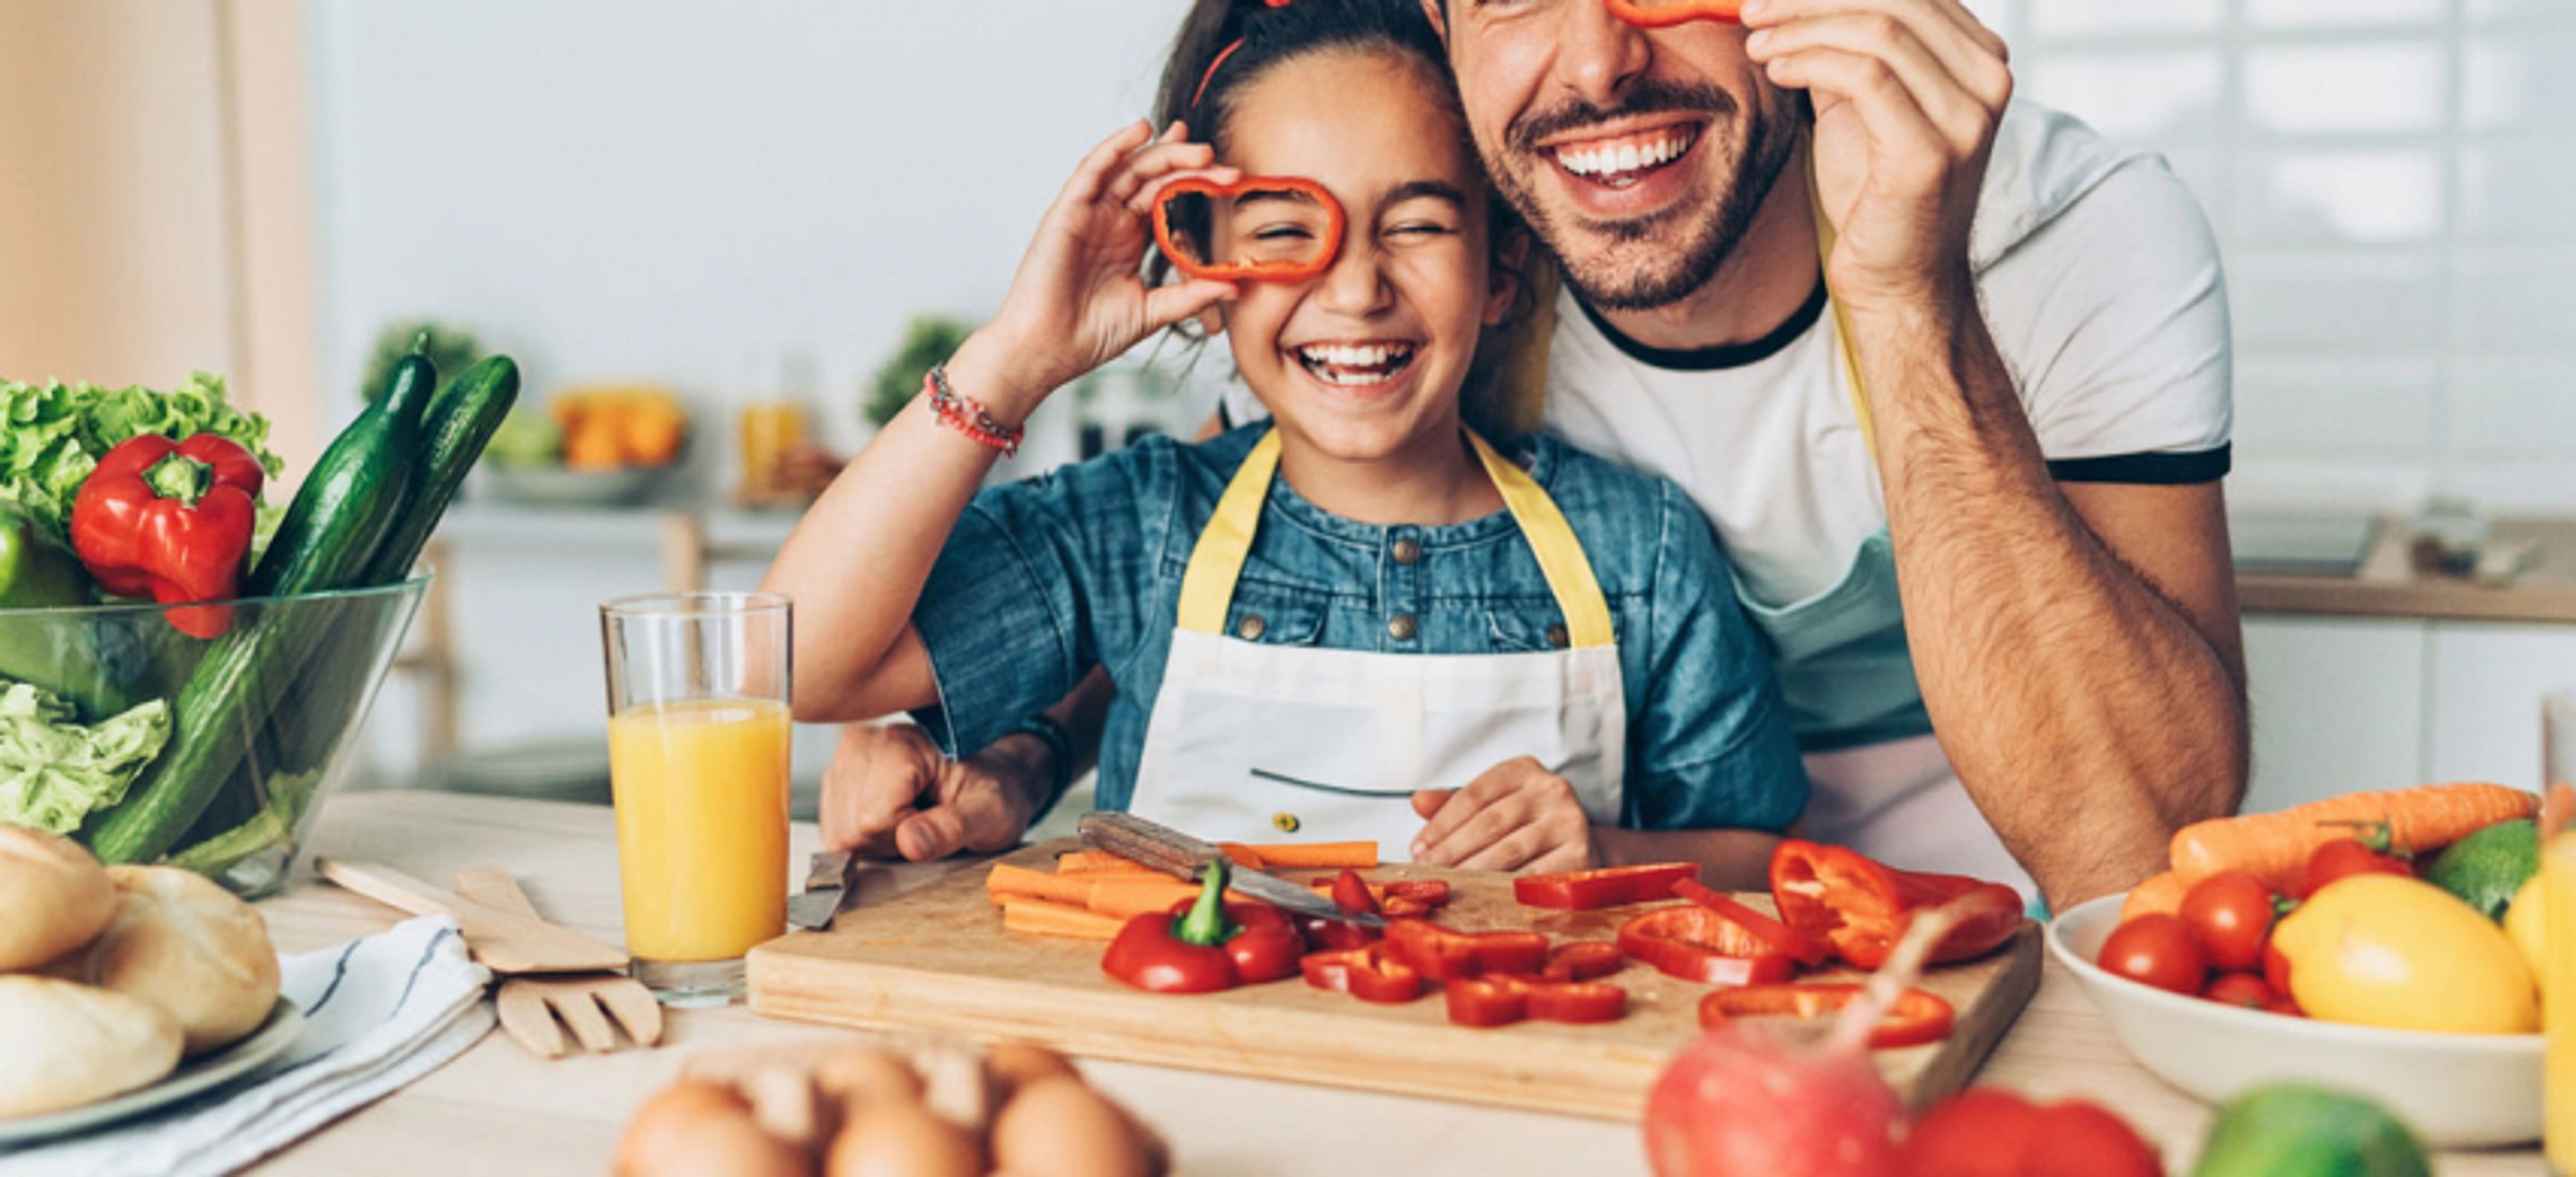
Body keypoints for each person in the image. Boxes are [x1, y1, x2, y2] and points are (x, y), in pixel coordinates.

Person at [826, 0, 2250, 912]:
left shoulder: (2071, 231)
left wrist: (1906, 287)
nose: (1596, 62)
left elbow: (2125, 852)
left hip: (1962, 932)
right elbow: (1204, 546)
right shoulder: (1499, 212)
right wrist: (1014, 747)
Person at [767, 0, 1811, 888]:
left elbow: (1766, 855)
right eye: (1280, 230)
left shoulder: (1644, 550)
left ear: (1502, 272)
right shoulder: (1142, 525)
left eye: (1417, 225)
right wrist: (1015, 359)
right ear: (1204, 274)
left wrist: (1610, 853)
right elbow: (797, 661)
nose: (1356, 291)